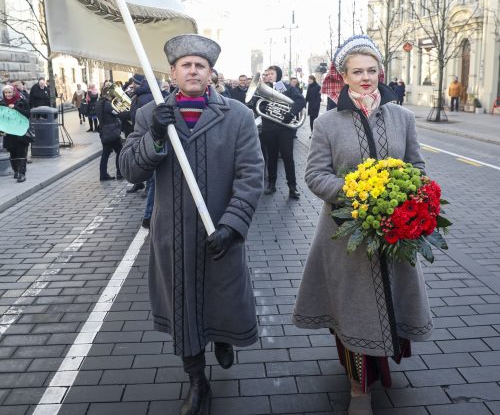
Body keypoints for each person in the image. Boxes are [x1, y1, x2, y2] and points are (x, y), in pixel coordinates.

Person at [119, 34, 264, 415]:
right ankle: (197, 381)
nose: (194, 70)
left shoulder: (238, 116)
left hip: (221, 235)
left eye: (200, 65)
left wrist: (233, 225)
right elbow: (129, 168)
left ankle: (223, 337)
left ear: (210, 72)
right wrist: (153, 137)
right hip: (174, 239)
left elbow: (251, 175)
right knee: (184, 310)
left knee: (222, 303)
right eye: (186, 65)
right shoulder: (151, 115)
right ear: (173, 73)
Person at [292, 35, 433, 415]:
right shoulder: (326, 123)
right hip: (345, 238)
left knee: (391, 304)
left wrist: (409, 196)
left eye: (372, 70)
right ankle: (359, 390)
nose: (367, 77)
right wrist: (358, 194)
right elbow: (315, 175)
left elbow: (417, 168)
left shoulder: (402, 117)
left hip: (395, 233)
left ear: (380, 72)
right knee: (355, 312)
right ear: (344, 75)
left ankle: (384, 362)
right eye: (358, 71)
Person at [261, 65, 305, 199]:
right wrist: (262, 104)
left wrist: (291, 113)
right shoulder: (263, 89)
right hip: (269, 128)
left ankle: (292, 187)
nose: (269, 76)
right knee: (271, 158)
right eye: (267, 74)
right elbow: (256, 104)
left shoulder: (285, 88)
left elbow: (300, 101)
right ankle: (271, 184)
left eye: (271, 74)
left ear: (278, 75)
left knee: (288, 158)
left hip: (284, 129)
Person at [0, 85, 31, 182]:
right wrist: (1, 131)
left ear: (14, 92)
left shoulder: (21, 101)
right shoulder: (2, 103)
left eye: (10, 92)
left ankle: (22, 173)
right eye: (6, 92)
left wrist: (15, 108)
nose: (8, 94)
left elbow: (28, 114)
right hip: (9, 133)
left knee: (21, 152)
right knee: (12, 153)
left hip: (21, 131)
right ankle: (16, 171)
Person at [96, 85, 123, 181]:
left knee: (105, 154)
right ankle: (120, 173)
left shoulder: (99, 103)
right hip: (111, 133)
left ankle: (103, 175)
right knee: (120, 151)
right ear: (108, 94)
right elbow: (117, 112)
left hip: (104, 132)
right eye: (112, 93)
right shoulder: (107, 104)